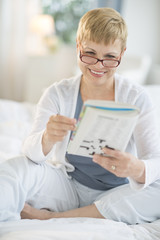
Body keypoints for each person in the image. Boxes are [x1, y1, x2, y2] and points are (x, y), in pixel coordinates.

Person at [1, 7, 160, 224]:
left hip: (117, 194)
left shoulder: (138, 97)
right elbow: (31, 153)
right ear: (78, 47)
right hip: (68, 187)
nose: (98, 65)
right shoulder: (57, 93)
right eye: (90, 53)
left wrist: (137, 168)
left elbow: (155, 160)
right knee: (16, 167)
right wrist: (47, 138)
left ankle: (53, 217)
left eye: (110, 57)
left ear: (122, 54)